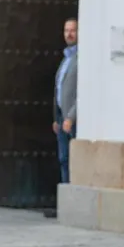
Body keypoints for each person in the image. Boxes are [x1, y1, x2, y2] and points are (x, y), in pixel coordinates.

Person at [53, 18, 78, 184]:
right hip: (62, 118)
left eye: (73, 30)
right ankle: (65, 191)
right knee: (63, 158)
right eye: (66, 30)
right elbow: (58, 89)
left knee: (72, 159)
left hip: (72, 119)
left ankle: (71, 193)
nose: (69, 34)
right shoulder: (66, 59)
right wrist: (57, 117)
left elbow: (83, 91)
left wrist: (71, 116)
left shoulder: (81, 59)